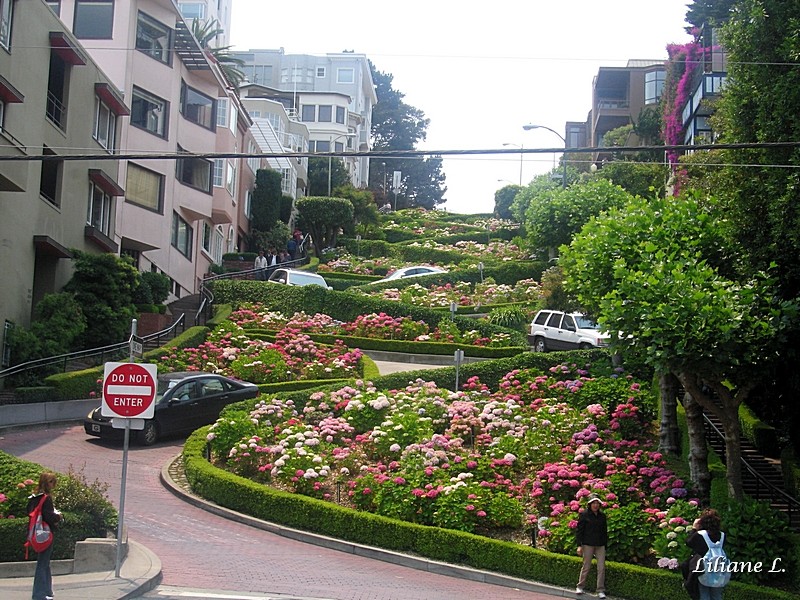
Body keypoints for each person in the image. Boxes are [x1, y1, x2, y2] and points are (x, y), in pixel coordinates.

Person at [27, 472, 62, 600]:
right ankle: (39, 594)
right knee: (43, 563)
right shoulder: (46, 498)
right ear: (48, 483)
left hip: (35, 532)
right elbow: (49, 516)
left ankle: (47, 591)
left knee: (45, 562)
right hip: (45, 533)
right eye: (52, 482)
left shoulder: (34, 496)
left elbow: (29, 512)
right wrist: (58, 516)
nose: (54, 484)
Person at [685, 509, 727, 600]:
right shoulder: (722, 535)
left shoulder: (700, 535)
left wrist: (694, 528)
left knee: (703, 594)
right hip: (718, 569)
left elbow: (688, 542)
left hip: (703, 569)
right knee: (717, 595)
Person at [576, 494, 607, 598]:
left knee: (601, 567)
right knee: (586, 566)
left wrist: (604, 544)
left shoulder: (602, 516)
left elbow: (604, 531)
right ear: (590, 504)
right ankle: (580, 586)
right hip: (587, 544)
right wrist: (579, 545)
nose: (595, 505)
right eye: (593, 503)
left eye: (597, 503)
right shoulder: (584, 515)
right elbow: (579, 530)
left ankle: (600, 590)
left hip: (600, 545)